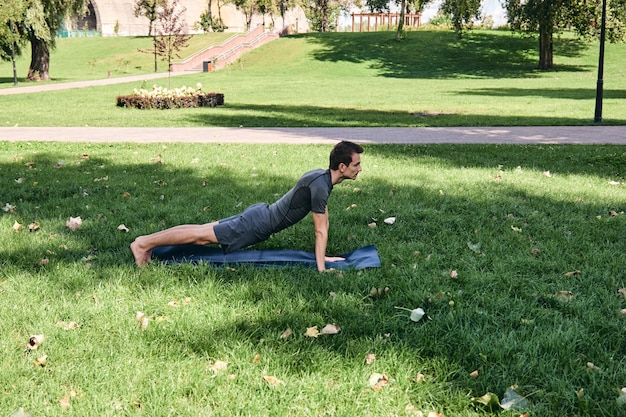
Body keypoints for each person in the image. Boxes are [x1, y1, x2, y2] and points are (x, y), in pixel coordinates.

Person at [131, 141, 363, 271]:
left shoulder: (321, 178)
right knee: (200, 237)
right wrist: (321, 267)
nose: (359, 169)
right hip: (257, 224)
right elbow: (320, 230)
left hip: (259, 214)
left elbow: (324, 220)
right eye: (356, 164)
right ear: (342, 166)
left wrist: (324, 256)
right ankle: (143, 244)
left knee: (201, 231)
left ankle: (146, 243)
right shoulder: (321, 185)